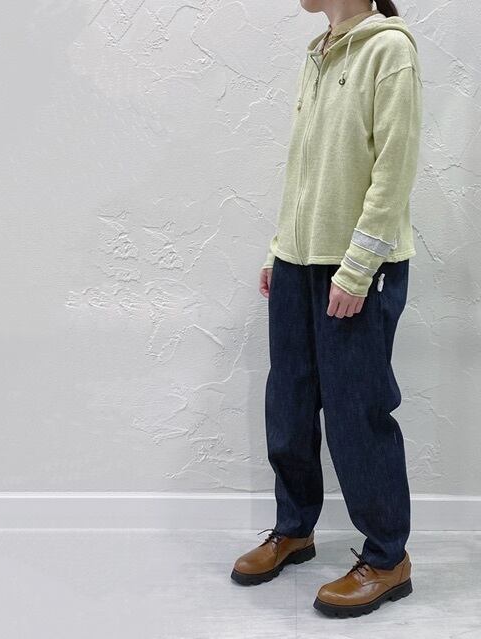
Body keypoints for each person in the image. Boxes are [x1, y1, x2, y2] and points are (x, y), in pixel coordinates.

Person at [230, 0, 422, 618]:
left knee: (355, 413)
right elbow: (303, 168)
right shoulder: (317, 54)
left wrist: (359, 267)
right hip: (298, 262)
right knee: (287, 403)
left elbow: (393, 170)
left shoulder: (389, 50)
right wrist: (278, 249)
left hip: (356, 267)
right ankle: (295, 530)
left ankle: (388, 559)